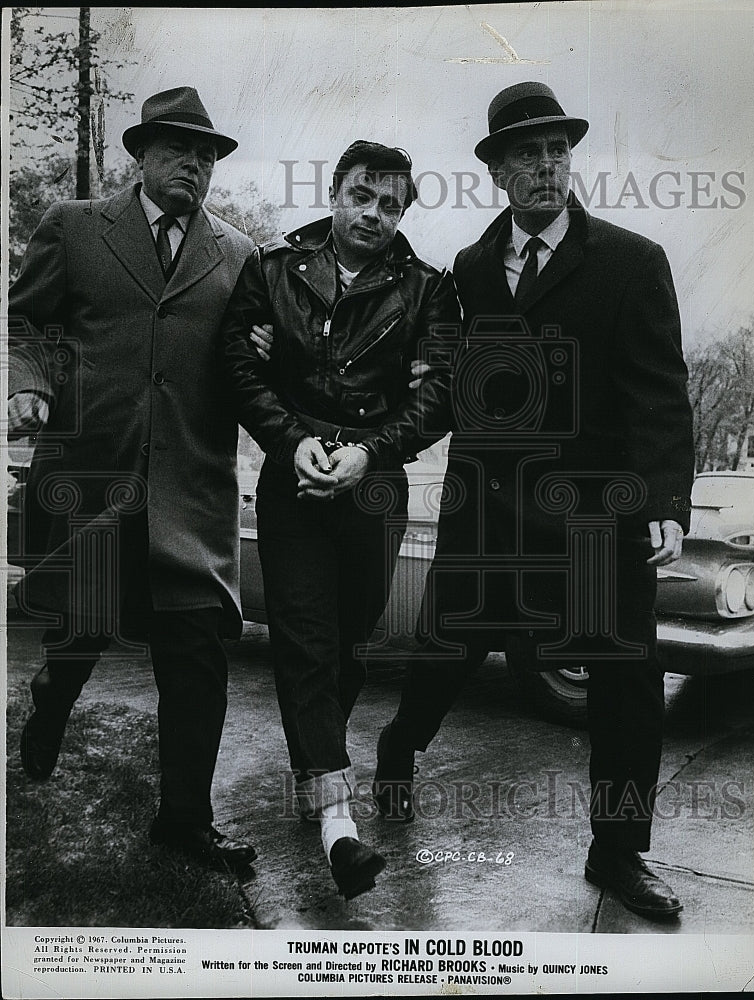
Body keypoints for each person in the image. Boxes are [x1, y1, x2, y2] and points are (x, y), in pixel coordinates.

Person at [373, 82, 695, 921]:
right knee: (444, 653)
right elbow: (443, 387)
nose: (546, 166)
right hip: (486, 511)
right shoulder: (471, 272)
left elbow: (659, 393)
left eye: (556, 150)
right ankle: (396, 758)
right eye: (526, 153)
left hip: (594, 518)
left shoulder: (633, 261)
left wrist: (663, 497)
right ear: (497, 171)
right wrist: (369, 441)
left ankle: (618, 853)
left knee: (624, 680)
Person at [8, 87, 257, 871]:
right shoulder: (75, 227)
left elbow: (248, 363)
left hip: (191, 488)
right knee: (83, 627)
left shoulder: (240, 254)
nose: (196, 163)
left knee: (196, 652)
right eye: (180, 148)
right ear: (141, 154)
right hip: (93, 476)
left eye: (208, 154)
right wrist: (28, 380)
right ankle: (52, 699)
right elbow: (26, 321)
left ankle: (184, 820)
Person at [220, 140, 459, 899]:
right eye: (362, 195)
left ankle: (310, 768)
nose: (373, 215)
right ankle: (336, 825)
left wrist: (367, 452)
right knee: (305, 642)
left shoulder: (428, 289)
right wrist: (292, 444)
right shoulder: (271, 269)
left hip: (374, 487)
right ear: (334, 192)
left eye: (390, 204)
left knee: (349, 642)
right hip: (291, 483)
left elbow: (439, 393)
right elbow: (236, 365)